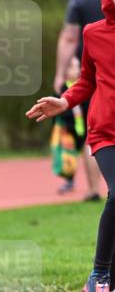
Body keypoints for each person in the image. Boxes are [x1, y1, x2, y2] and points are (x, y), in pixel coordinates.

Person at [27, 0, 115, 292]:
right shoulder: (94, 33)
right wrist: (65, 101)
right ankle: (100, 273)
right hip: (107, 132)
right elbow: (87, 81)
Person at [53, 0, 115, 201]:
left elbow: (68, 38)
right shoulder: (93, 32)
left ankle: (93, 189)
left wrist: (59, 74)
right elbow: (87, 78)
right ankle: (94, 188)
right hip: (106, 123)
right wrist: (66, 97)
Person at [51, 54, 86, 195]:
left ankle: (94, 182)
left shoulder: (84, 86)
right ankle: (69, 181)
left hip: (83, 128)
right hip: (68, 129)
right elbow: (55, 109)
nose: (76, 70)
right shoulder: (61, 89)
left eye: (78, 67)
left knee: (89, 155)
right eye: (72, 67)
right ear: (65, 70)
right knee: (68, 155)